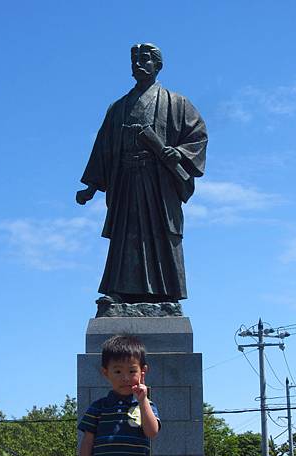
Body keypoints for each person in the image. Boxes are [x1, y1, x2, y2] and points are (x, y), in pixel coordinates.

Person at [76, 43, 207, 304]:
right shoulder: (118, 108)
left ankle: (167, 294)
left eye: (144, 59)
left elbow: (198, 136)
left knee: (160, 232)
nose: (138, 64)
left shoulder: (177, 103)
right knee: (127, 235)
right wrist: (91, 186)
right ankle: (118, 291)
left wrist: (179, 153)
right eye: (134, 59)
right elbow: (103, 147)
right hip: (125, 180)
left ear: (157, 65)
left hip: (160, 180)